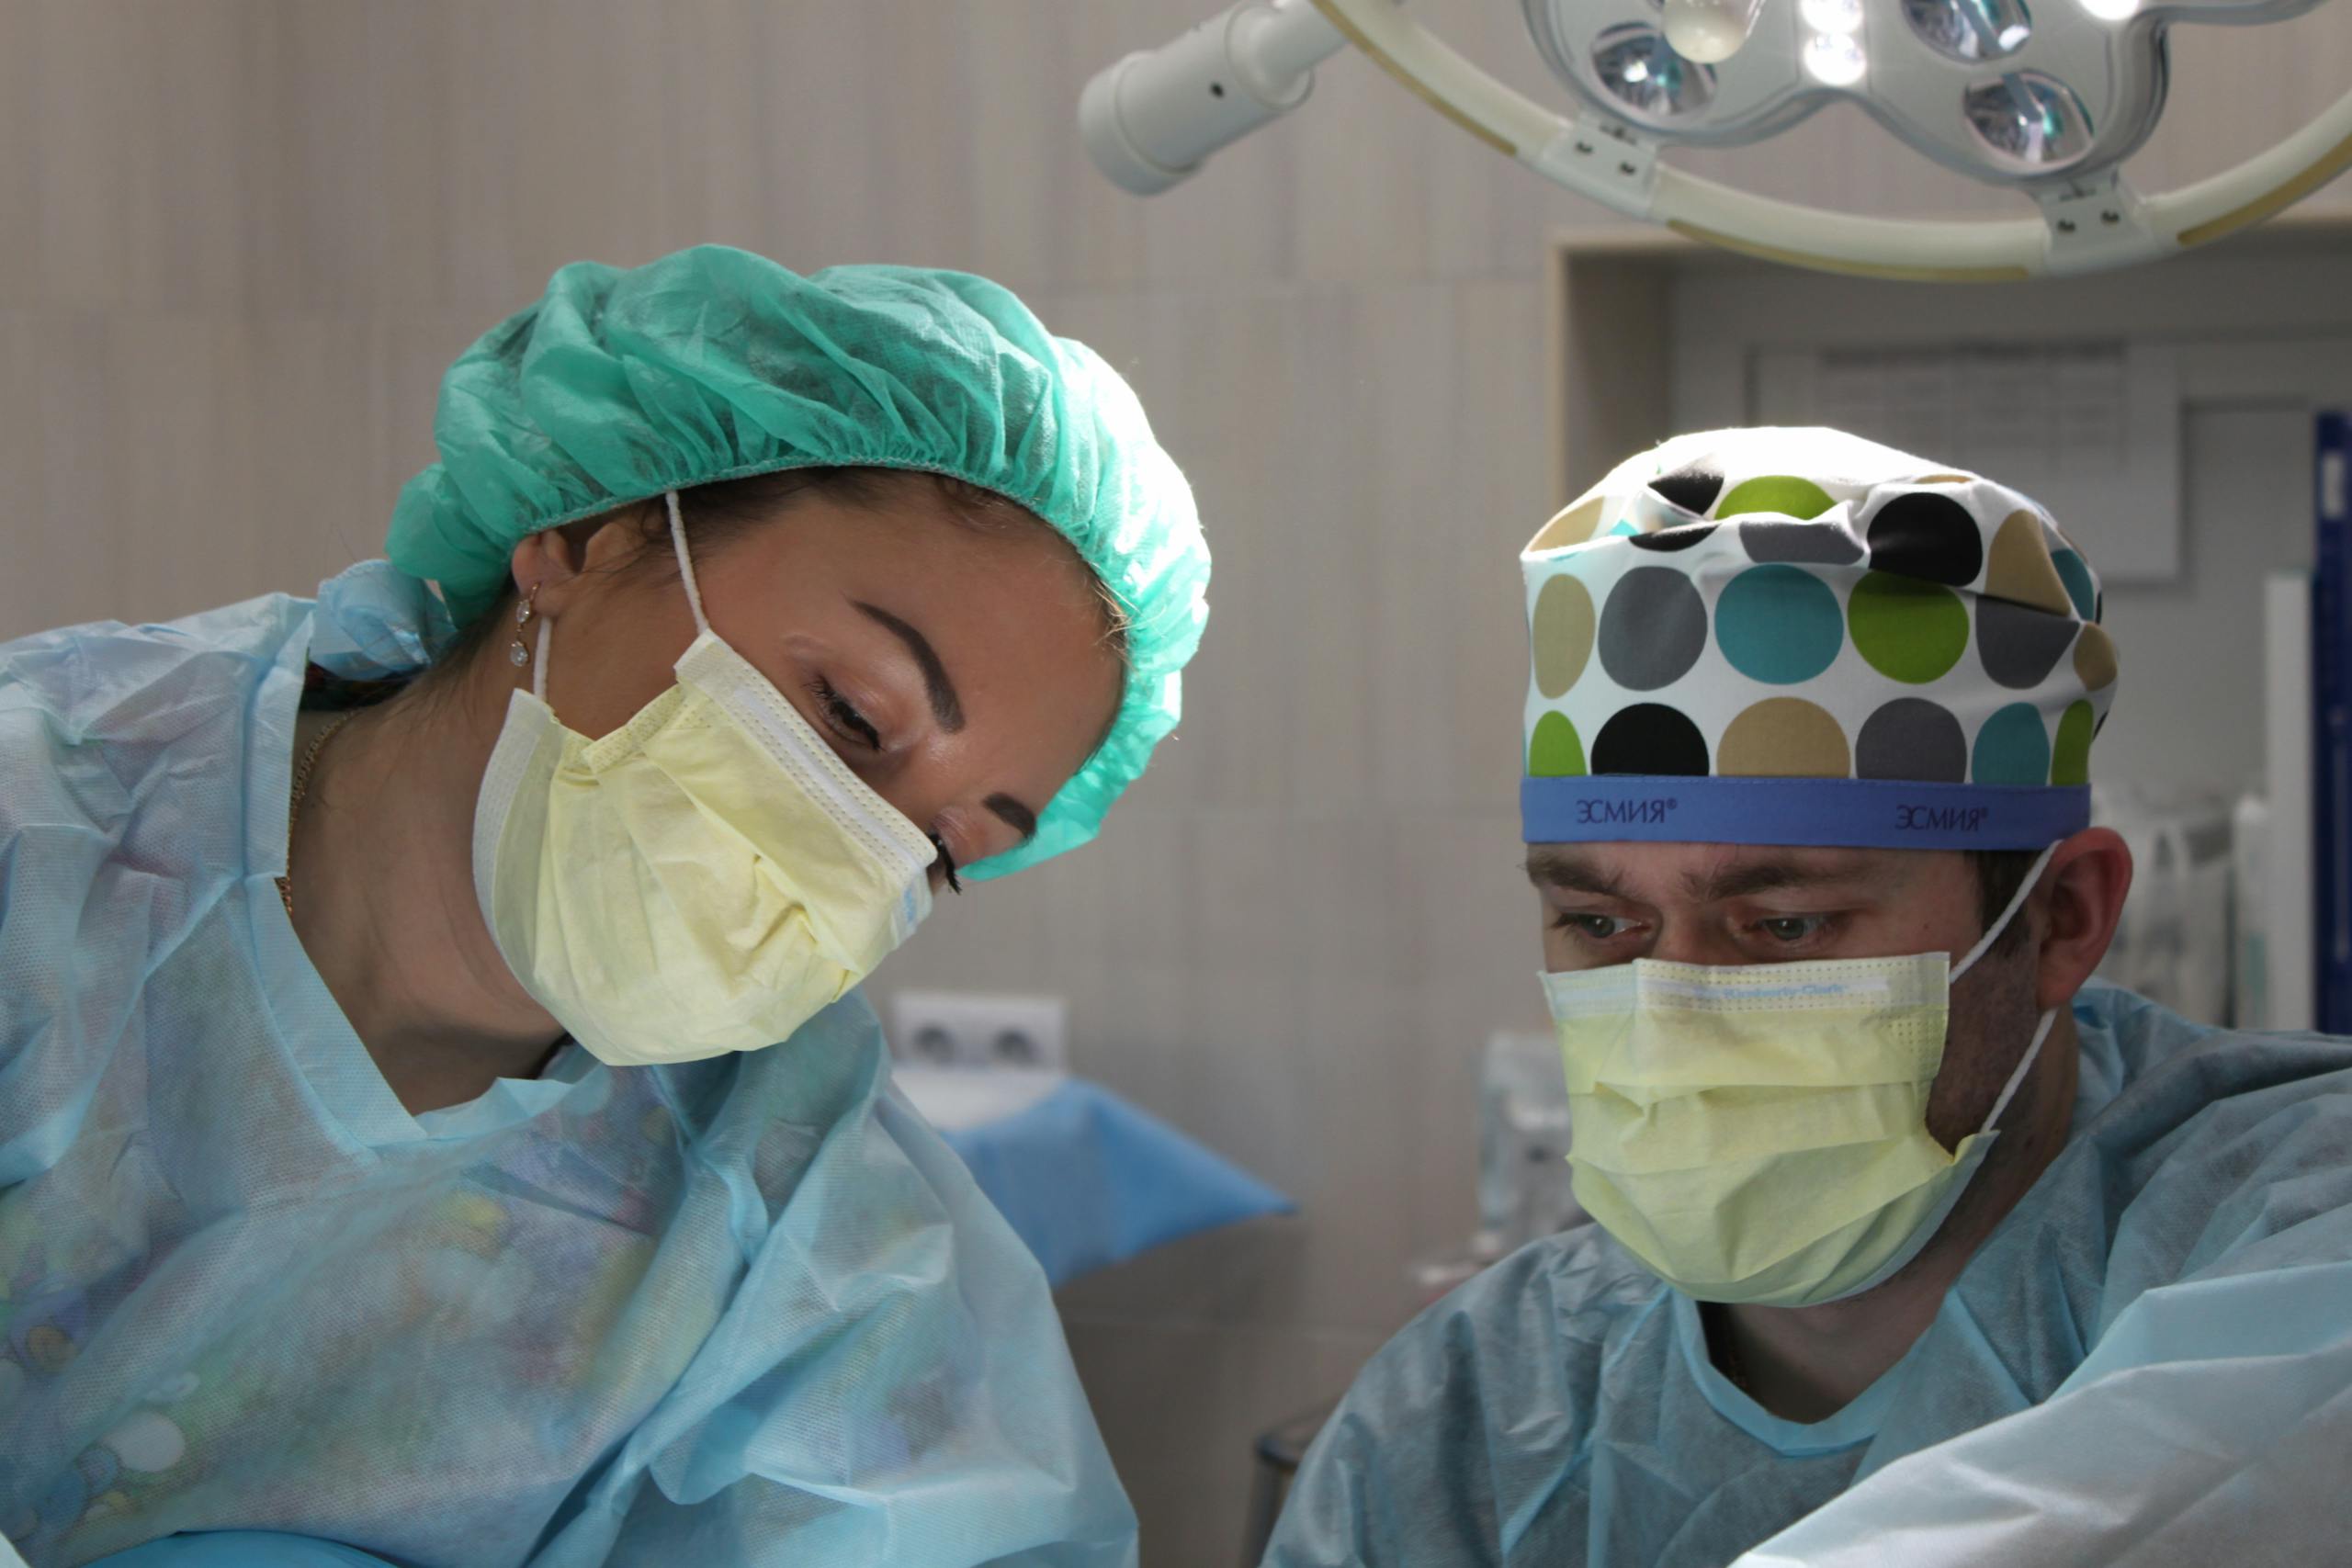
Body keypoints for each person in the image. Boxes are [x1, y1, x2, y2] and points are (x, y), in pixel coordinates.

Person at [0, 246, 1210, 1568]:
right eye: (854, 715)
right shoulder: (44, 844)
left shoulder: (787, 1203)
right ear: (587, 537)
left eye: (942, 847)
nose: (859, 845)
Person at [1264, 427, 2352, 1566]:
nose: (1674, 1007)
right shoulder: (1478, 1408)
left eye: (1785, 926)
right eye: (1602, 926)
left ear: (2059, 917)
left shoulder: (2294, 1224)